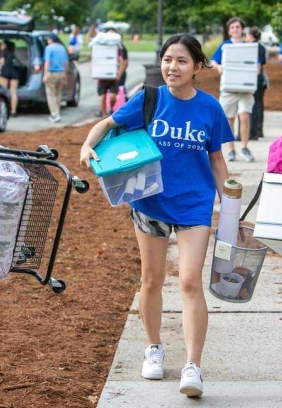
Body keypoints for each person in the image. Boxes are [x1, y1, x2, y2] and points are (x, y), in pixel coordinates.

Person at [80, 34, 233, 398]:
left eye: (181, 61)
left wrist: (231, 207)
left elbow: (216, 160)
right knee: (151, 280)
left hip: (195, 206)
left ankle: (192, 365)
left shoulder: (210, 108)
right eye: (167, 59)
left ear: (197, 67)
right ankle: (153, 347)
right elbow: (108, 123)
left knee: (190, 282)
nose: (172, 67)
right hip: (150, 203)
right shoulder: (149, 99)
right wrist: (88, 143)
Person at [211, 17, 264, 162]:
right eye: (232, 27)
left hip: (245, 89)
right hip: (228, 89)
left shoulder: (249, 47)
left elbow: (257, 64)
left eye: (238, 27)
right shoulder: (225, 45)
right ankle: (231, 150)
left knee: (245, 116)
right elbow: (213, 61)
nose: (235, 29)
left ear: (242, 30)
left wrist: (257, 69)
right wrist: (218, 67)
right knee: (229, 119)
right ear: (229, 31)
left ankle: (245, 147)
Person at [95, 28, 129, 117]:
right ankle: (104, 114)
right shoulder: (99, 47)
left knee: (113, 97)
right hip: (102, 77)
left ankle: (110, 109)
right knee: (102, 97)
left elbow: (124, 62)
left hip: (114, 77)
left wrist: (119, 74)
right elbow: (95, 60)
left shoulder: (121, 48)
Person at [245, 26, 268, 140]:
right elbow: (263, 62)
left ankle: (251, 131)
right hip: (260, 80)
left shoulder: (249, 47)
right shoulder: (262, 47)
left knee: (252, 104)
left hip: (251, 78)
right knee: (259, 103)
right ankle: (259, 130)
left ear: (250, 35)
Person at [42, 32, 69, 123]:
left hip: (52, 72)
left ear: (51, 40)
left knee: (51, 94)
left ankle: (55, 115)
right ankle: (58, 113)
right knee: (58, 94)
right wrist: (65, 75)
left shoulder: (49, 48)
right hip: (61, 73)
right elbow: (66, 63)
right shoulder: (62, 48)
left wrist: (45, 74)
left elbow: (47, 61)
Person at [0, 40, 21, 117]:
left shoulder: (3, 52)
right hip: (14, 72)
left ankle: (4, 109)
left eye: (1, 45)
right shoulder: (13, 54)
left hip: (5, 71)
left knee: (3, 92)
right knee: (13, 92)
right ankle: (13, 111)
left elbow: (2, 63)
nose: (0, 46)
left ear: (5, 46)